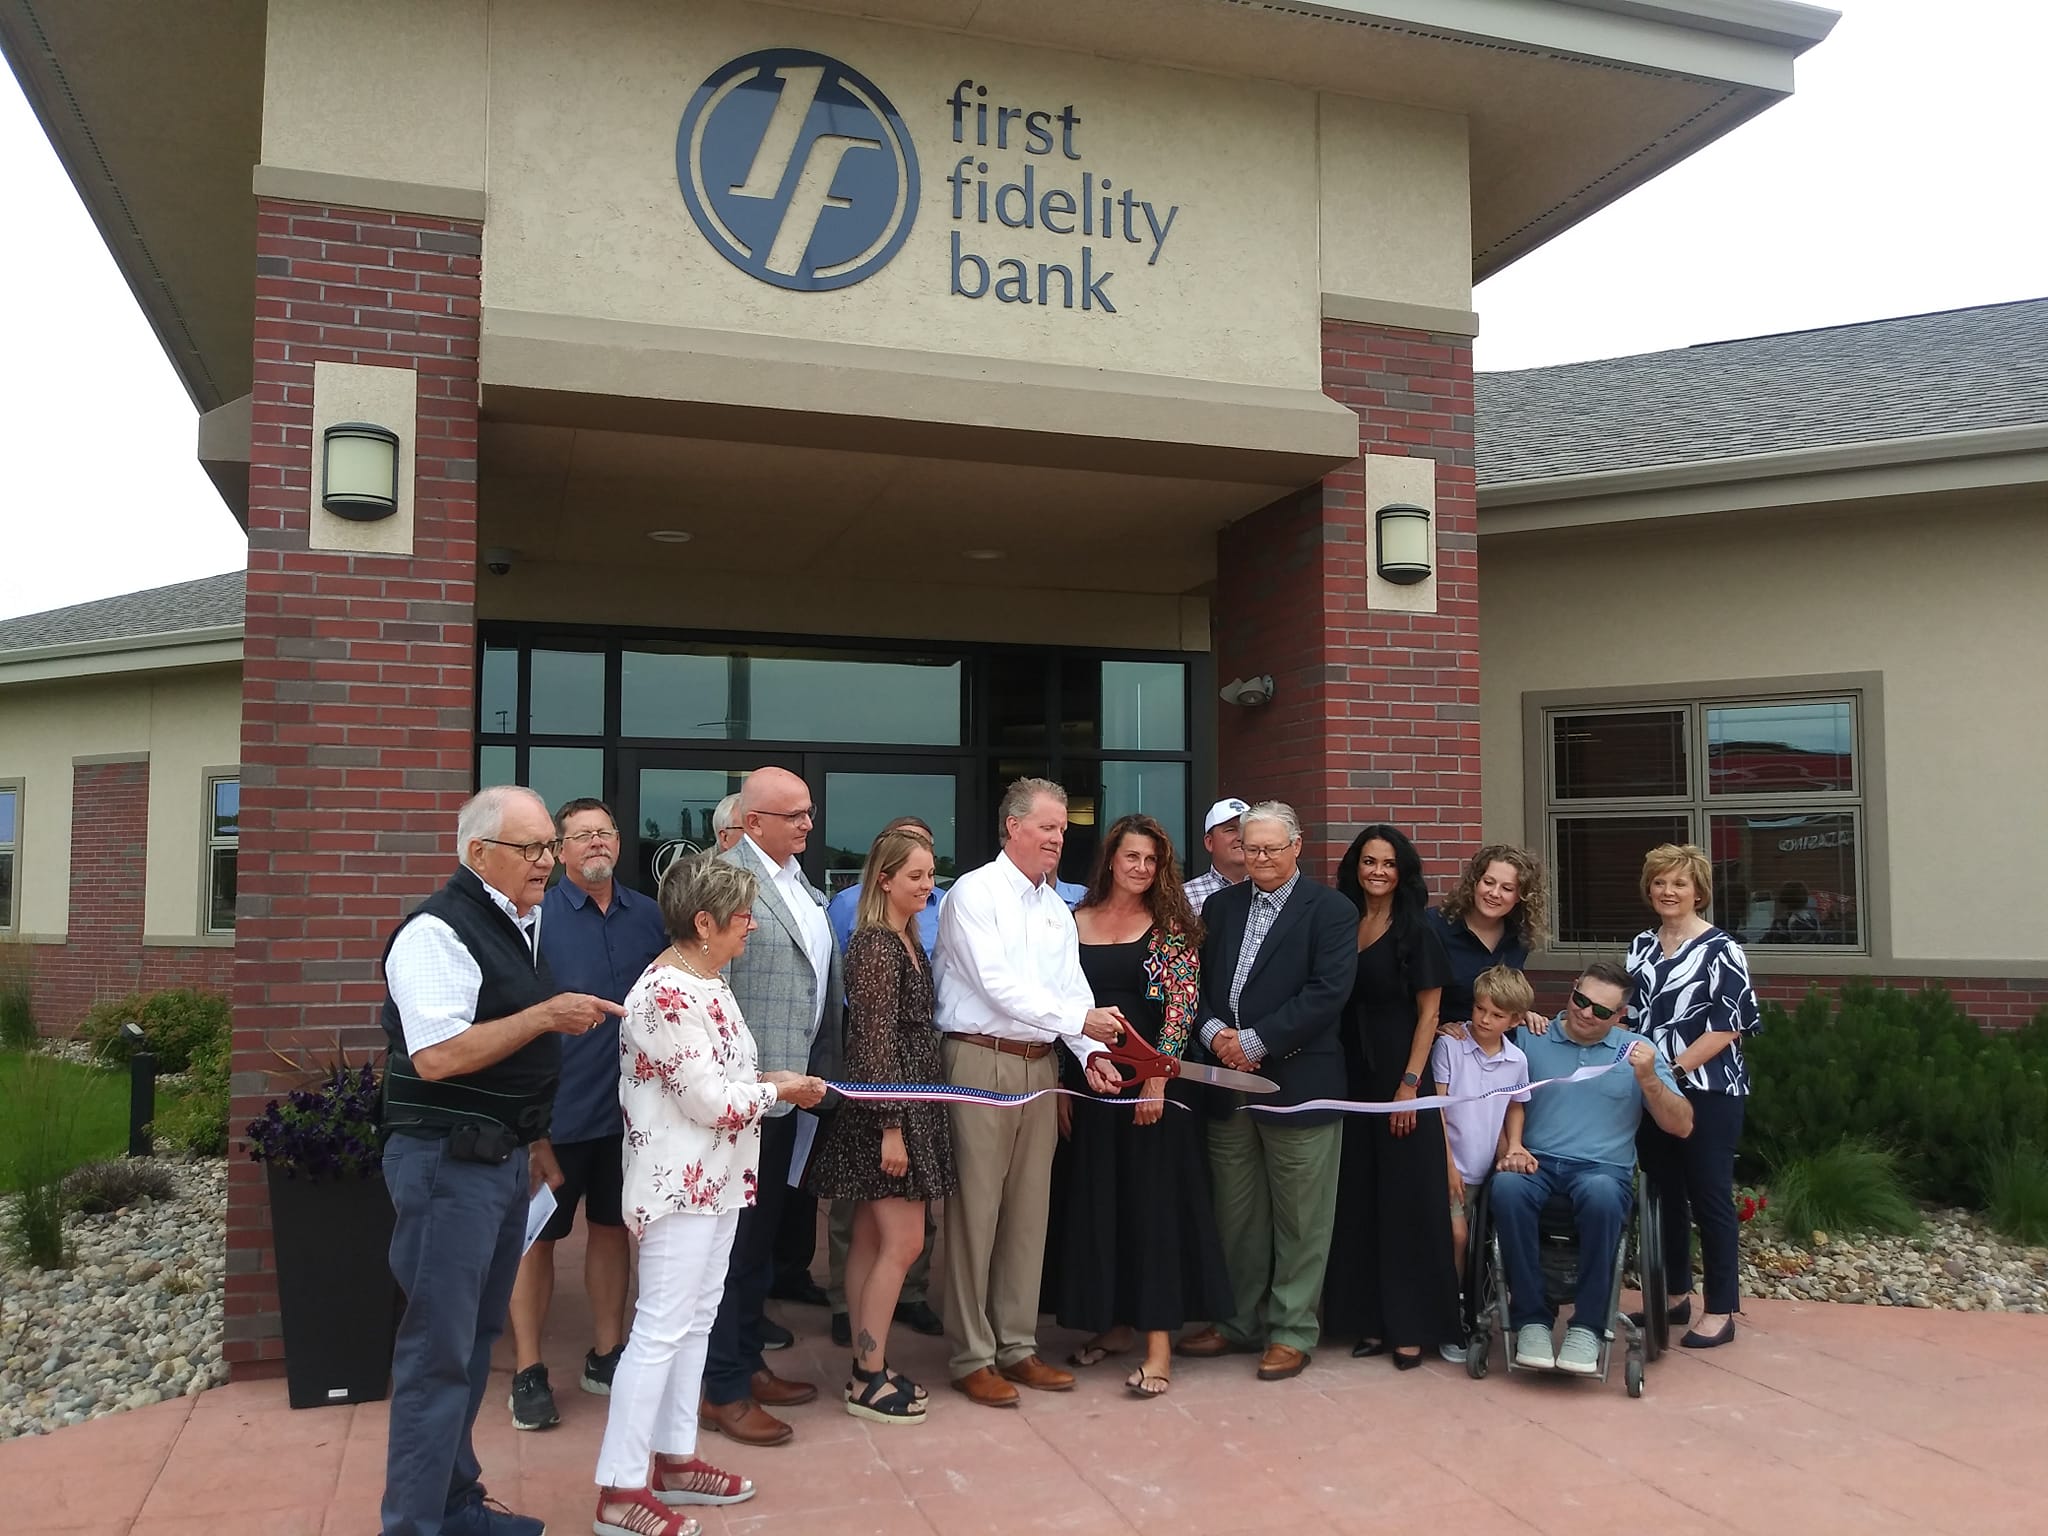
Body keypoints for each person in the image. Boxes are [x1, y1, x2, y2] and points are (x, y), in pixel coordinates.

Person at [378, 786, 626, 1536]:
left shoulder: (514, 923)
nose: (547, 862)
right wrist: (548, 1014)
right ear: (478, 853)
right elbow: (438, 1054)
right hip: (444, 1165)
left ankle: (455, 1506)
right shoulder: (436, 932)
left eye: (550, 846)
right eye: (532, 849)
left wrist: (531, 1140)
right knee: (437, 1354)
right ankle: (418, 1524)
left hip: (493, 1160)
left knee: (469, 1344)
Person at [592, 855, 827, 1536]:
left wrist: (771, 1079)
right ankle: (619, 1487)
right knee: (659, 1331)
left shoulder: (709, 981)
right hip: (677, 1186)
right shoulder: (666, 992)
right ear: (703, 922)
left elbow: (726, 1074)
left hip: (719, 1181)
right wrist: (780, 1090)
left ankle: (674, 1457)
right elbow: (706, 1100)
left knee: (695, 1321)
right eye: (742, 915)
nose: (751, 926)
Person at [933, 777, 1126, 1408]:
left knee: (1027, 1214)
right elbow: (996, 988)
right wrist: (1081, 1025)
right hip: (979, 1064)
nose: (1058, 838)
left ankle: (1017, 1346)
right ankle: (971, 1355)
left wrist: (1090, 1055)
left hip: (1041, 1067)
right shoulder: (973, 893)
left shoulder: (1052, 907)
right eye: (1048, 827)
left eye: (1062, 829)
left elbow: (1072, 992)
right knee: (976, 1214)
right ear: (1013, 826)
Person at [1049, 814, 1234, 1400]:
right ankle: (1115, 1324)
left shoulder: (1172, 926)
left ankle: (1158, 1348)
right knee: (1099, 1204)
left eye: (1152, 860)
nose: (1141, 868)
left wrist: (1156, 1083)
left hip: (1154, 1086)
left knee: (1154, 1211)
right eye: (1132, 857)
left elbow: (1180, 1013)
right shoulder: (1069, 920)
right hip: (1088, 1081)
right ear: (1110, 860)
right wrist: (1061, 1084)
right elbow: (1055, 1009)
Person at [1176, 801, 1356, 1383]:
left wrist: (1254, 1040)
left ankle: (1292, 1329)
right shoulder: (1221, 907)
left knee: (1302, 1218)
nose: (1260, 858)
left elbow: (1327, 994)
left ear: (1297, 846)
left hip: (1299, 1081)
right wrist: (1212, 1034)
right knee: (1237, 1214)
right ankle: (1237, 1324)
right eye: (1251, 848)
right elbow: (1195, 984)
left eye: (1272, 848)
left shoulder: (1330, 910)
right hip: (1227, 1084)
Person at [507, 797, 667, 1432]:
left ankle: (608, 1352)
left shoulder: (649, 917)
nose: (596, 843)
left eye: (606, 833)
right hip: (554, 1114)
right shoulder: (536, 919)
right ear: (560, 850)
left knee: (611, 1230)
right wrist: (526, 1120)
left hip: (629, 1115)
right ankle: (527, 1369)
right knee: (537, 1241)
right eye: (582, 836)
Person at [699, 767, 842, 1446]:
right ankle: (720, 1388)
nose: (808, 825)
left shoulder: (799, 886)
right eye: (795, 815)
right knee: (733, 1250)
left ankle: (747, 1362)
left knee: (757, 1248)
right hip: (743, 1100)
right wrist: (740, 1086)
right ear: (753, 822)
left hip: (789, 1097)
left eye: (809, 813)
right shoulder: (724, 879)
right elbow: (707, 992)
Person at [806, 826, 959, 1423]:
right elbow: (870, 1043)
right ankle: (868, 1377)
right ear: (885, 879)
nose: (927, 886)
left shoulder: (908, 936)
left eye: (930, 875)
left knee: (872, 1243)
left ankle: (869, 1365)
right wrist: (891, 1125)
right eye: (915, 876)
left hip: (908, 1104)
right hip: (889, 1112)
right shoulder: (875, 944)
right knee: (905, 1242)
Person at [1491, 961, 1693, 1374]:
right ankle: (1531, 1319)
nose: (1586, 1013)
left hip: (1602, 1170)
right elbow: (1483, 1071)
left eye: (1601, 1010)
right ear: (1572, 989)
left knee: (1602, 1197)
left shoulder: (1637, 1051)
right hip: (1535, 1162)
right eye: (1580, 1000)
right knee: (1506, 1188)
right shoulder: (1531, 1037)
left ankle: (1588, 1325)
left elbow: (1682, 1124)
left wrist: (1649, 1079)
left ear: (1620, 1016)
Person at [1322, 825, 1461, 1368]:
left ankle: (1412, 1326)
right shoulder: (1341, 920)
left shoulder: (1417, 928)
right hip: (1350, 1074)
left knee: (1407, 1202)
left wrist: (1409, 1084)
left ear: (1402, 871)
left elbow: (1430, 1012)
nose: (1377, 872)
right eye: (1368, 862)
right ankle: (1370, 1322)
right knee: (1360, 1199)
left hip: (1401, 1076)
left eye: (1388, 863)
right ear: (1355, 867)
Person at [1629, 842, 1762, 1350]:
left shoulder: (1722, 949)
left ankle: (1722, 1308)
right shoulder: (1640, 945)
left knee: (1708, 1194)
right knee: (1662, 1193)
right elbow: (1635, 1016)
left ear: (1699, 892)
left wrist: (1673, 1068)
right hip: (1651, 1090)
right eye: (1660, 882)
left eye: (1679, 883)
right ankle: (1675, 1294)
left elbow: (1731, 1025)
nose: (1668, 891)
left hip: (1709, 1089)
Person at [1429, 964, 1533, 1362]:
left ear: (1515, 1020)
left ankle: (1481, 1309)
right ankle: (1450, 1311)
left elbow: (1515, 1108)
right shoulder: (1451, 1047)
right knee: (1456, 1237)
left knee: (1479, 1242)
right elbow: (1437, 1108)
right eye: (1480, 1009)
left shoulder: (1517, 1060)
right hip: (1452, 1166)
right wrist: (1448, 1166)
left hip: (1486, 1170)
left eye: (1496, 1014)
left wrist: (1515, 1147)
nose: (1484, 1020)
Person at [1427, 844, 1549, 1027]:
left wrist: (1518, 1013)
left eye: (1507, 888)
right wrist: (1437, 1028)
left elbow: (1499, 995)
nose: (1494, 893)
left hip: (1492, 1048)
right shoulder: (1433, 925)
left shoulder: (1518, 939)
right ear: (1475, 882)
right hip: (1441, 1044)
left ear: (1520, 896)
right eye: (1489, 882)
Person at [1180, 797, 1250, 915]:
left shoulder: (1269, 887)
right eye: (1230, 830)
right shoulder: (1184, 896)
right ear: (1209, 842)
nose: (1241, 837)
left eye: (1246, 829)